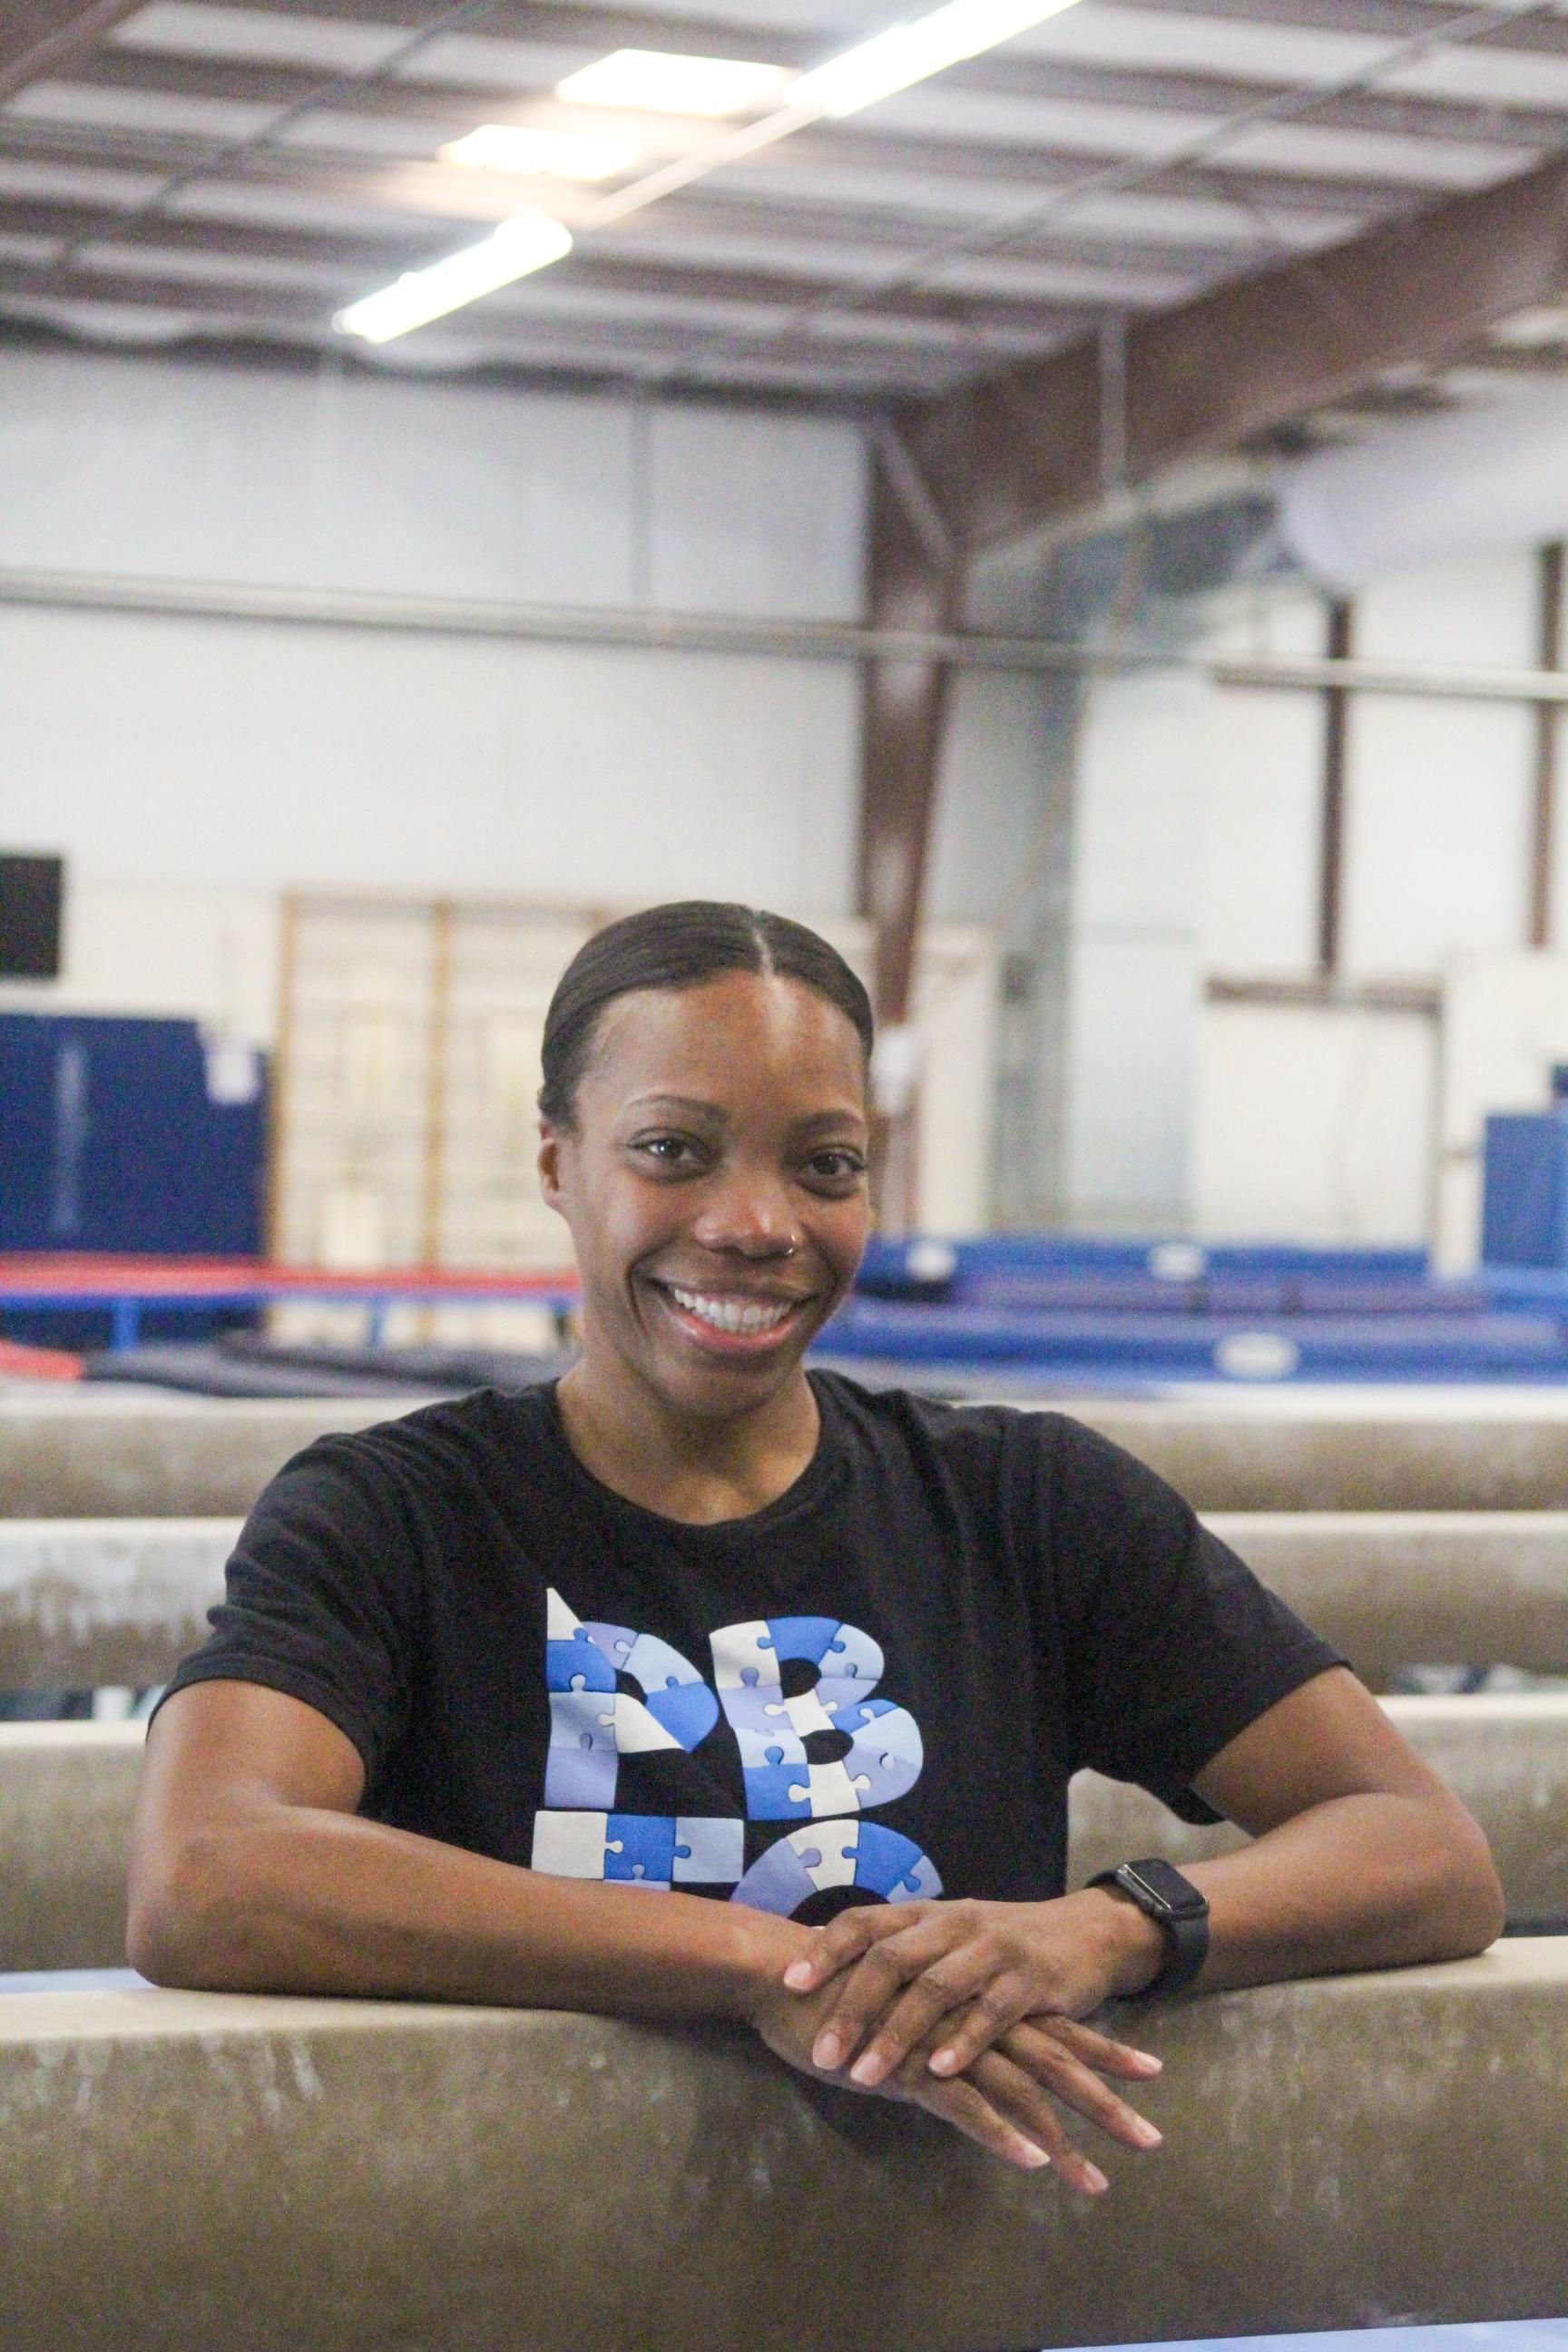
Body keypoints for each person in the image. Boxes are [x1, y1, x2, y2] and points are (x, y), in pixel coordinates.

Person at [129, 901, 1504, 2195]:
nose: (758, 1224)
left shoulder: (1027, 1506)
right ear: (558, 1165)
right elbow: (205, 1873)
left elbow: (1425, 1851)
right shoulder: (395, 1514)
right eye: (674, 1151)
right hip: (517, 2267)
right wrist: (760, 1965)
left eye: (825, 1165)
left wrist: (1108, 1927)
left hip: (929, 2297)